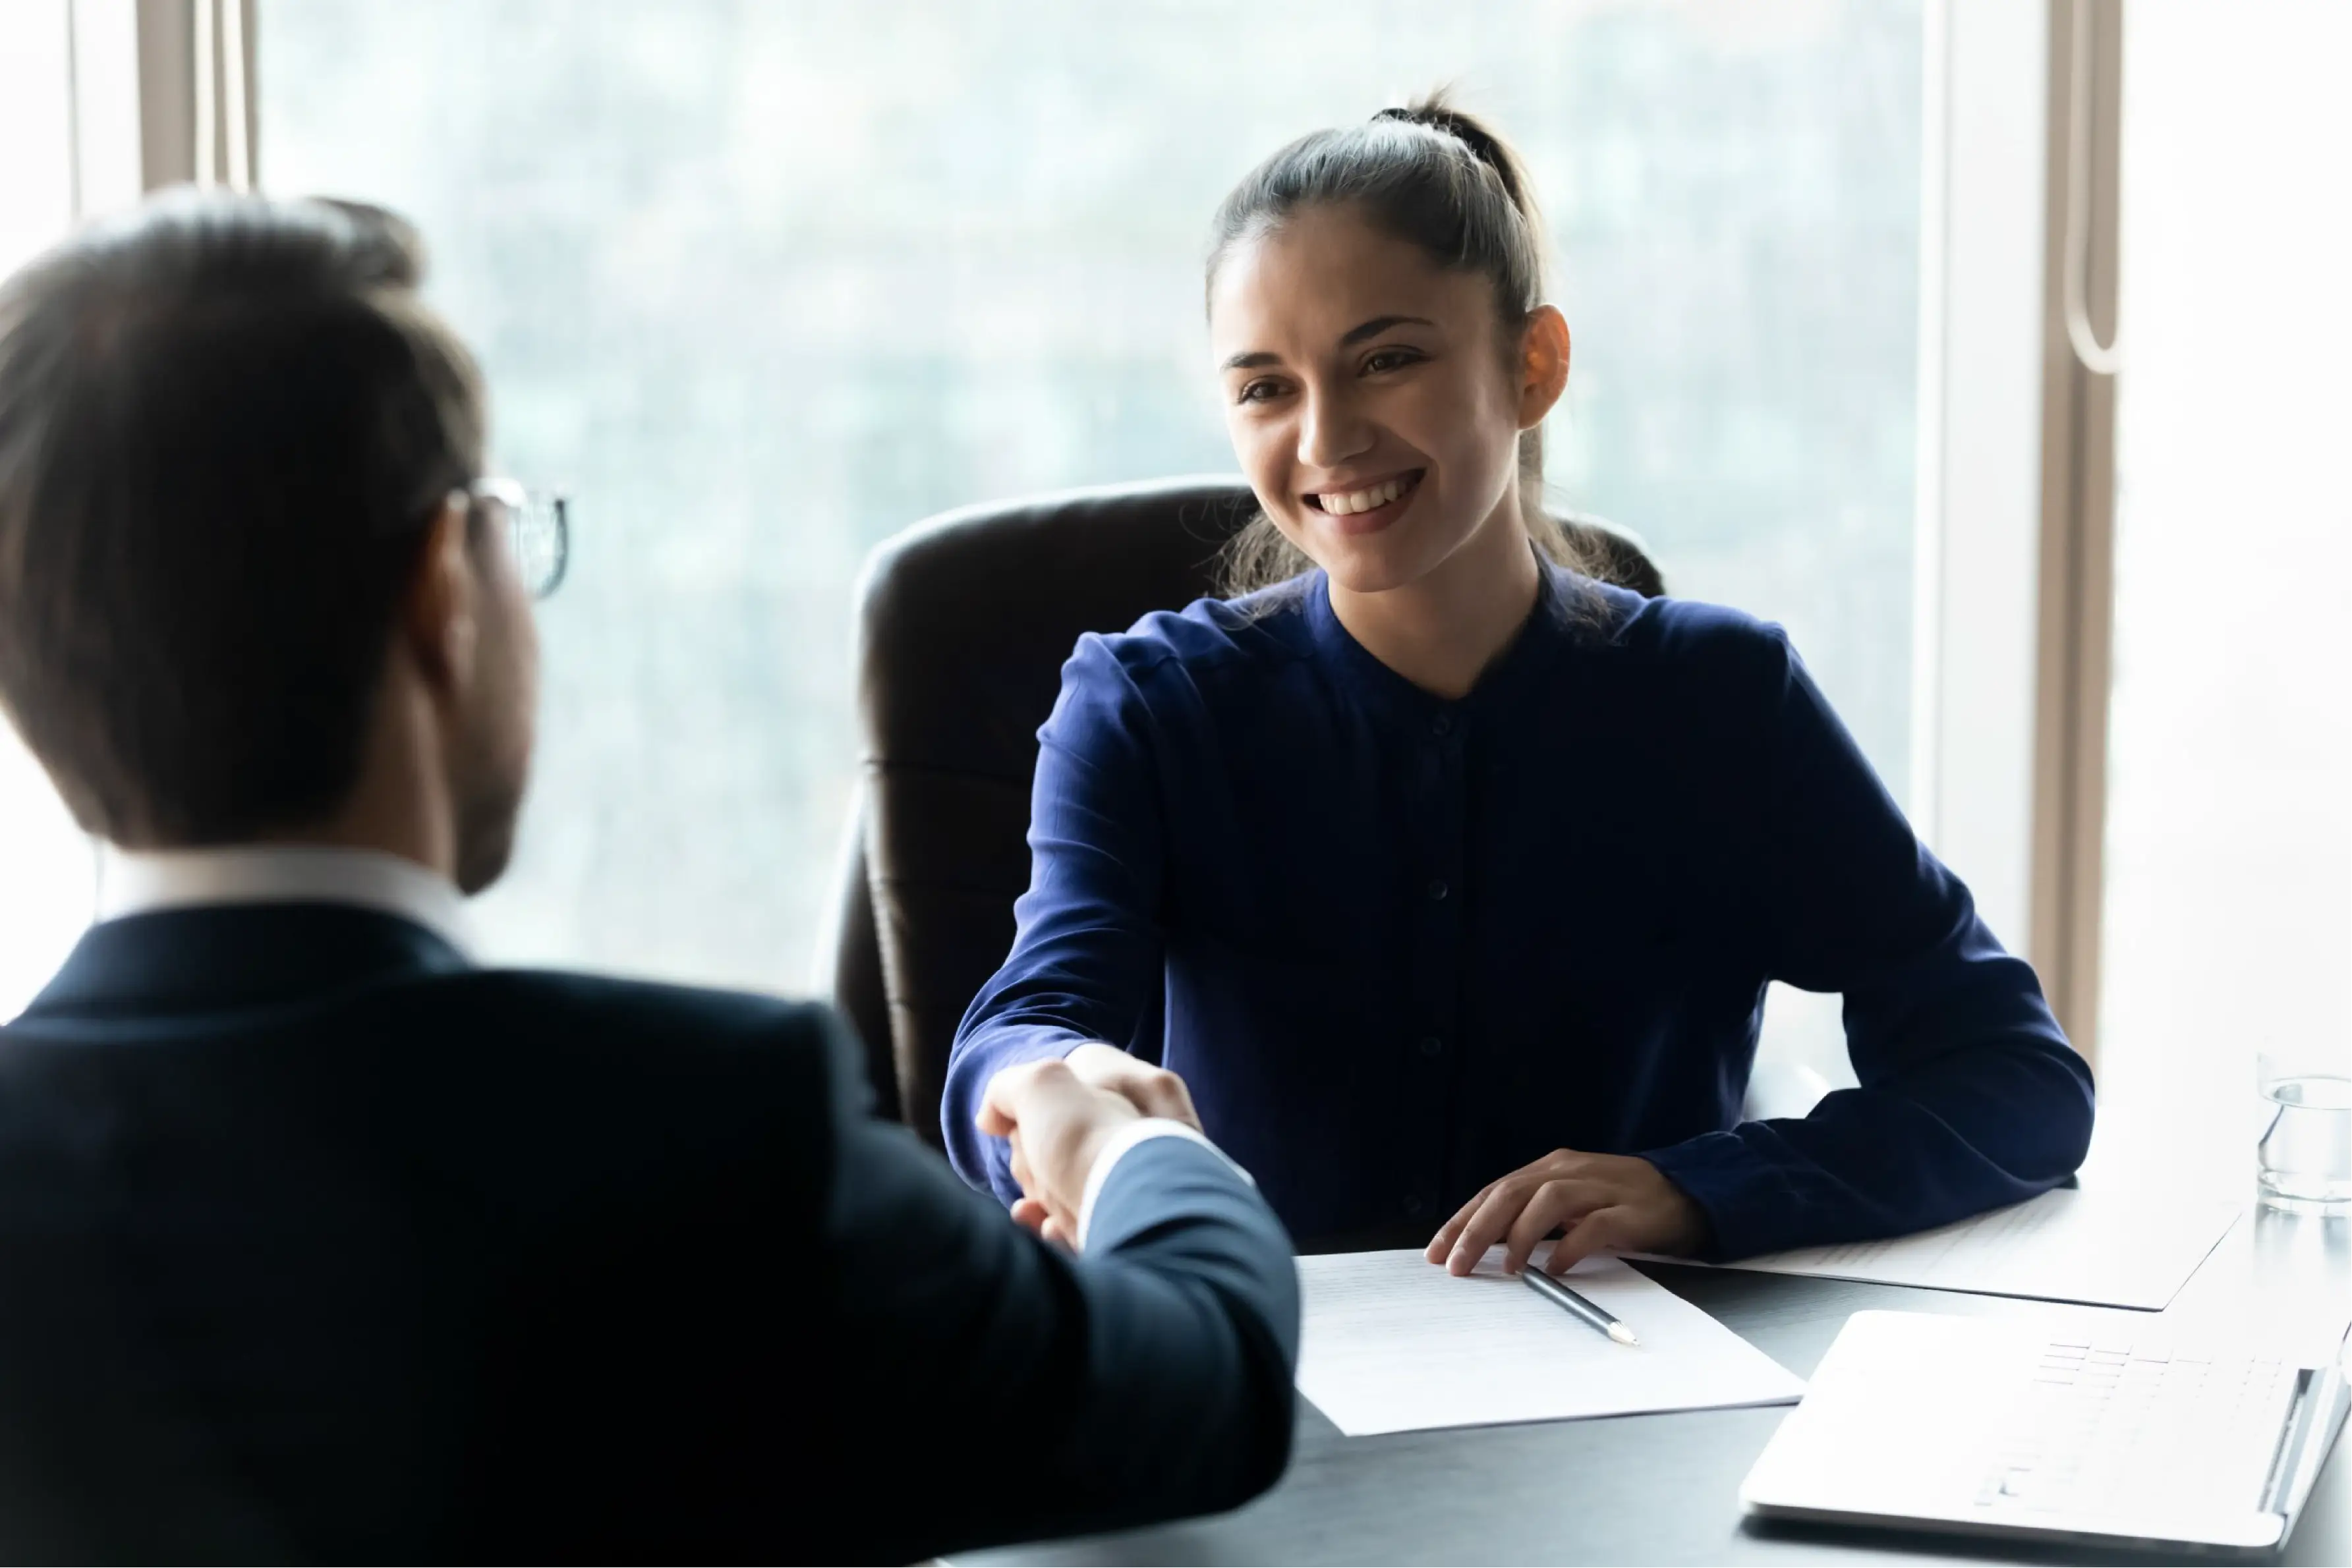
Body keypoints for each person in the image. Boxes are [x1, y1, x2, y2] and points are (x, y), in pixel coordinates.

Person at [0, 192, 1297, 1567]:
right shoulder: (710, 1131)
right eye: (503, 517)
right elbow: (1204, 1384)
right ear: (443, 586)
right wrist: (1126, 1145)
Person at [944, 98, 2095, 1277]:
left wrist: (1697, 1190)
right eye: (1265, 389)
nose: (1327, 440)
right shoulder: (1145, 707)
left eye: (1386, 359)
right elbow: (1022, 1030)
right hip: (1258, 1390)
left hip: (1637, 1396)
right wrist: (1055, 1086)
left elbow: (2018, 1080)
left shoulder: (1722, 703)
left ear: (1533, 364)